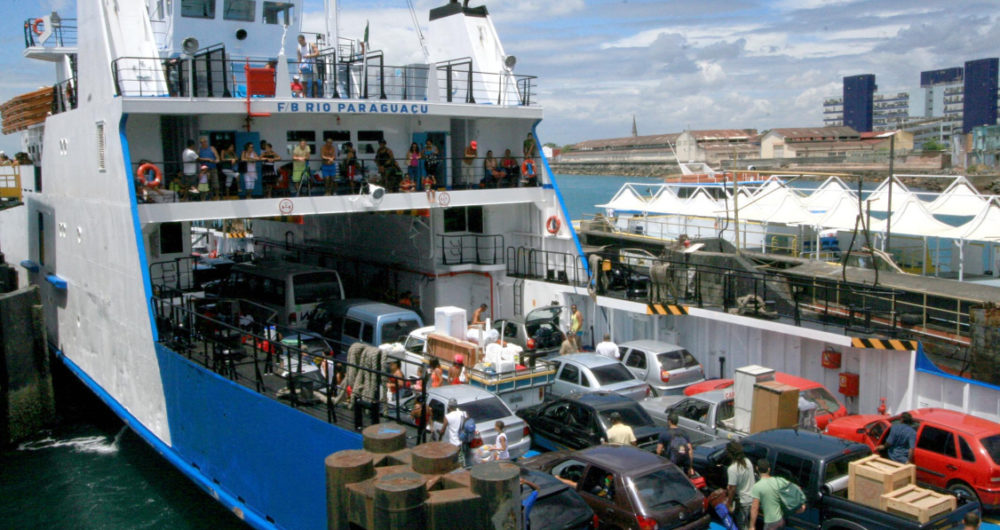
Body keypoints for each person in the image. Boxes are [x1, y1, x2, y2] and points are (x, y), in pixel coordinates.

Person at [750, 458, 804, 529]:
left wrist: (752, 526)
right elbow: (797, 488)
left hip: (771, 522)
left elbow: (754, 508)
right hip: (781, 520)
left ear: (757, 468)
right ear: (769, 469)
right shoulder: (779, 480)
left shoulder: (757, 486)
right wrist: (802, 504)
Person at [726, 441, 756, 530]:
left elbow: (732, 489)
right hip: (752, 498)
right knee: (747, 523)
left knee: (741, 525)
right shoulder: (748, 462)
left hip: (743, 502)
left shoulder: (732, 469)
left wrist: (729, 503)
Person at [440, 398, 470, 466]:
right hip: (463, 441)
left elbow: (442, 430)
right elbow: (468, 419)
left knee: (453, 461)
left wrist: (440, 437)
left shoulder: (447, 416)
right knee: (462, 460)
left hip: (454, 443)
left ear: (449, 407)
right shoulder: (463, 413)